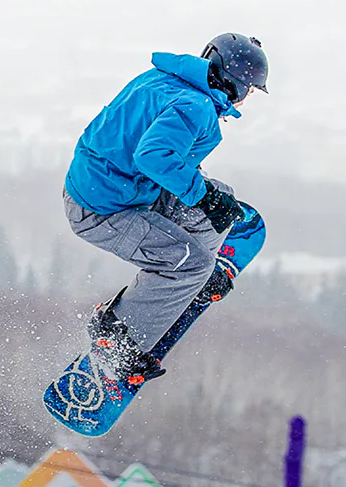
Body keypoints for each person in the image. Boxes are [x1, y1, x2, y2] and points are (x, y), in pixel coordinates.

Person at [63, 33, 269, 386]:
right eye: (248, 88)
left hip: (117, 186)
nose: (248, 96)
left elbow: (143, 144)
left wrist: (206, 195)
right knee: (190, 262)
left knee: (222, 200)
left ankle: (190, 279)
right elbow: (153, 157)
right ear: (233, 82)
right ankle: (116, 339)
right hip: (102, 209)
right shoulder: (197, 106)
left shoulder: (165, 80)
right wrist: (200, 196)